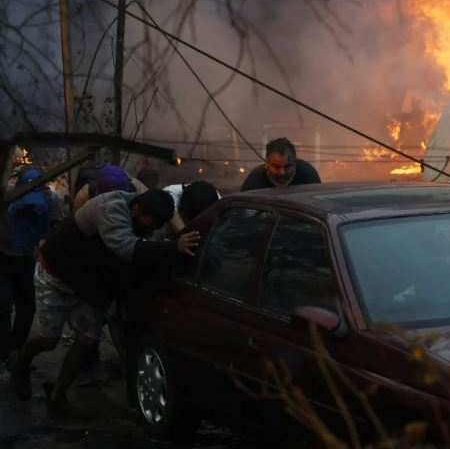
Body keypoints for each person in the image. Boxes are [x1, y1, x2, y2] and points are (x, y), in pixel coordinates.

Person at [9, 189, 199, 416]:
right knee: (49, 339)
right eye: (150, 225)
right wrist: (172, 247)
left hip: (89, 284)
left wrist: (182, 235)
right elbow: (126, 248)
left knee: (87, 340)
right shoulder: (110, 208)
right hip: (56, 274)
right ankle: (20, 363)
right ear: (137, 210)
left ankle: (58, 394)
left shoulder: (145, 202)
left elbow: (166, 222)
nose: (152, 230)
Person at [0, 168, 50, 365]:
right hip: (2, 256)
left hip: (27, 258)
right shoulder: (6, 197)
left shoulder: (49, 200)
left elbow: (50, 230)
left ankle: (17, 349)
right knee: (3, 305)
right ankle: (4, 352)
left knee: (27, 306)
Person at [240, 137, 320, 192]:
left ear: (295, 163)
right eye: (276, 166)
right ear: (267, 163)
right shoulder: (254, 182)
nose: (282, 172)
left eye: (287, 167)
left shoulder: (308, 175)